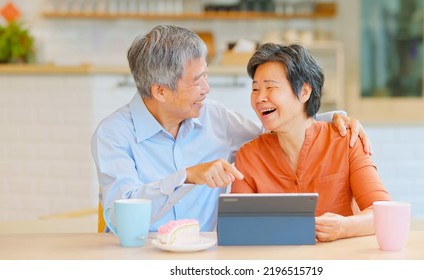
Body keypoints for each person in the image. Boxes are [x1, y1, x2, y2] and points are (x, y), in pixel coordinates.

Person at [91, 25, 371, 232]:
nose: (207, 89)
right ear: (160, 91)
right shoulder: (114, 134)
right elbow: (120, 216)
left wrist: (332, 120)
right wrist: (187, 177)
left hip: (204, 258)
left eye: (206, 76)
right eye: (197, 81)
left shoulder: (216, 118)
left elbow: (275, 133)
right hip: (137, 256)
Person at [231, 43, 391, 242]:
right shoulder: (249, 156)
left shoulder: (346, 142)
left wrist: (344, 227)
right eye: (255, 89)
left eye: (270, 87)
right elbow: (237, 229)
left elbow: (385, 213)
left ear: (304, 92)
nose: (260, 98)